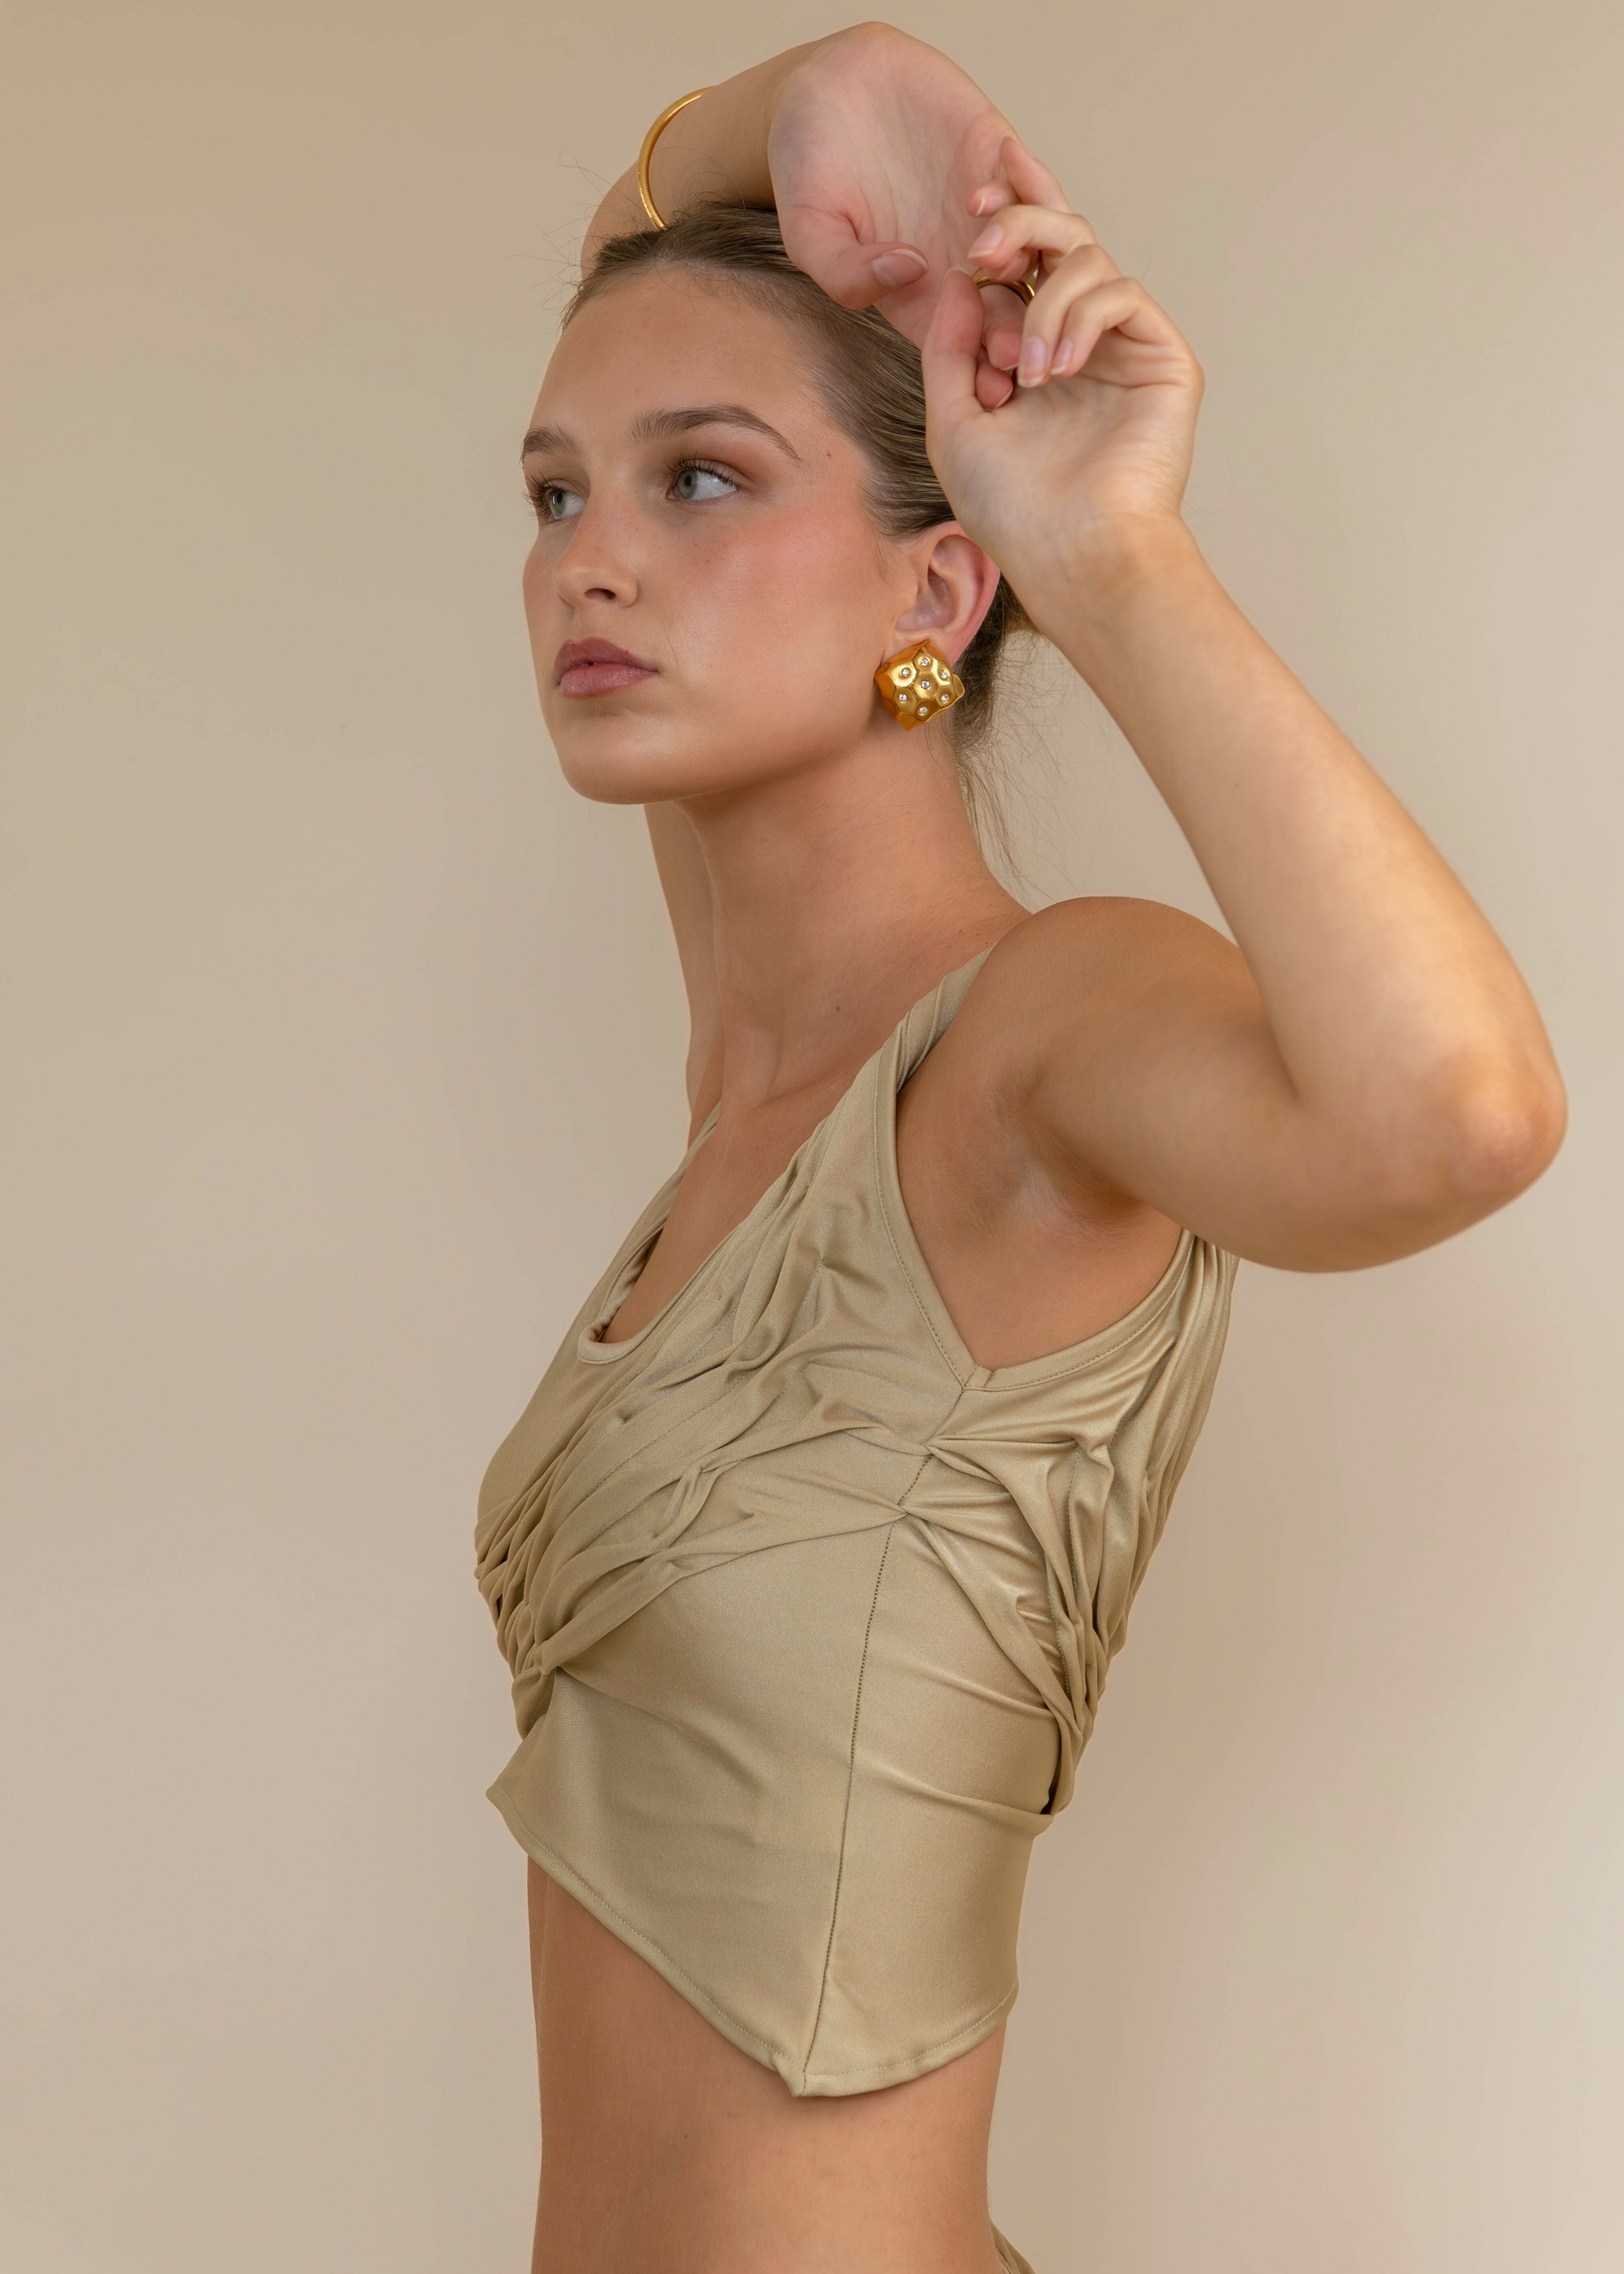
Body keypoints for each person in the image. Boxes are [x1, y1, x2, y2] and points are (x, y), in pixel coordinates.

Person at [473, 24, 1566, 2272]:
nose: (591, 559)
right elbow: (634, 256)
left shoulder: (1032, 1044)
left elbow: (1453, 1118)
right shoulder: (736, 1101)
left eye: (700, 482)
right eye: (554, 492)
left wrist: (1108, 547)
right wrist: (837, 84)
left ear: (937, 594)